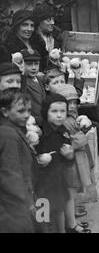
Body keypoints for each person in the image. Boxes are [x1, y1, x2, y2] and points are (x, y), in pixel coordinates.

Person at [52, 84, 92, 233]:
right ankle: (71, 225)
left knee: (72, 192)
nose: (73, 106)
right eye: (69, 103)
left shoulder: (71, 118)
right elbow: (76, 140)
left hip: (75, 160)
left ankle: (72, 221)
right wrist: (83, 131)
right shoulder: (64, 121)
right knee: (69, 193)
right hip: (70, 162)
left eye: (75, 102)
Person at [35, 93, 74, 233]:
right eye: (54, 111)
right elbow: (31, 156)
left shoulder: (63, 131)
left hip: (58, 178)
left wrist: (70, 156)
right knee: (43, 211)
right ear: (46, 113)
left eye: (63, 111)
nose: (59, 115)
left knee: (60, 207)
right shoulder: (40, 133)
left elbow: (68, 159)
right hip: (42, 181)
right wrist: (40, 159)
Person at [0, 88, 35, 233]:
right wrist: (27, 202)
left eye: (29, 110)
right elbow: (11, 174)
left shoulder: (15, 129)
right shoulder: (8, 134)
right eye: (21, 111)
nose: (27, 115)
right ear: (5, 112)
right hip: (16, 206)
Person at [32, 4, 64, 70]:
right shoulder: (32, 40)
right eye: (48, 20)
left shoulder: (57, 37)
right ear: (39, 21)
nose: (53, 22)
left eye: (53, 19)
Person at [20, 49, 46, 126]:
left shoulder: (40, 79)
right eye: (29, 64)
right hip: (31, 122)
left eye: (36, 64)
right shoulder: (22, 81)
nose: (34, 67)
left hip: (44, 121)